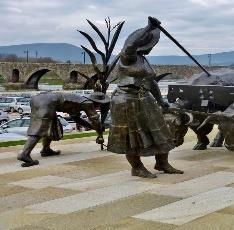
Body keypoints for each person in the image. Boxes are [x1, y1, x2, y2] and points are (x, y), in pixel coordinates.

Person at [107, 16, 183, 178]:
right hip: (126, 100)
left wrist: (161, 101)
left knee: (161, 131)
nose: (152, 48)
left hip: (145, 98)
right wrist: (148, 28)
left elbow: (152, 82)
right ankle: (137, 167)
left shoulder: (143, 60)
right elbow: (130, 44)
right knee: (132, 136)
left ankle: (162, 162)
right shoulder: (128, 57)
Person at [17, 92, 109, 167]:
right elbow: (95, 119)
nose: (99, 107)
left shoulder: (79, 101)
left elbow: (77, 119)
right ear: (97, 103)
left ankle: (46, 149)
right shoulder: (87, 103)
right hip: (47, 102)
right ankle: (25, 154)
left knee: (52, 127)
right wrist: (99, 132)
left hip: (40, 99)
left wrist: (92, 127)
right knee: (40, 128)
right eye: (100, 105)